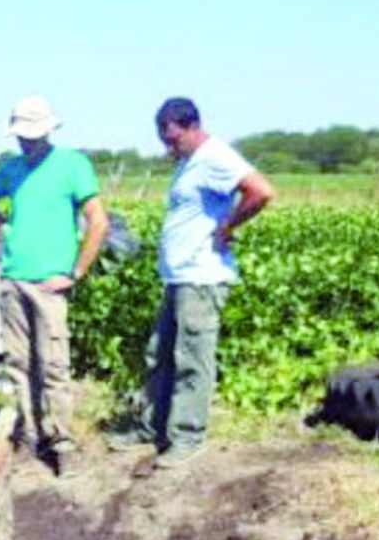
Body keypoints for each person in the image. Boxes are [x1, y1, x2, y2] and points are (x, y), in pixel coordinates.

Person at [108, 97, 276, 468]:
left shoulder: (216, 156)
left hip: (201, 277)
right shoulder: (189, 162)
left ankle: (188, 436)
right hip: (179, 276)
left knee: (191, 359)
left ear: (190, 126)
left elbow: (261, 190)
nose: (168, 146)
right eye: (163, 139)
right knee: (161, 353)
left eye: (171, 138)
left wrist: (229, 225)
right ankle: (154, 427)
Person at [0, 96, 110, 476]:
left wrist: (76, 272)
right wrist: (3, 226)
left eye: (33, 136)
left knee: (54, 365)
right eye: (22, 136)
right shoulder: (12, 169)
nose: (26, 143)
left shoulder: (72, 165)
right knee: (19, 363)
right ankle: (30, 436)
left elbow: (98, 222)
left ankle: (61, 441)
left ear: (48, 131)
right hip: (15, 277)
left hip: (51, 284)